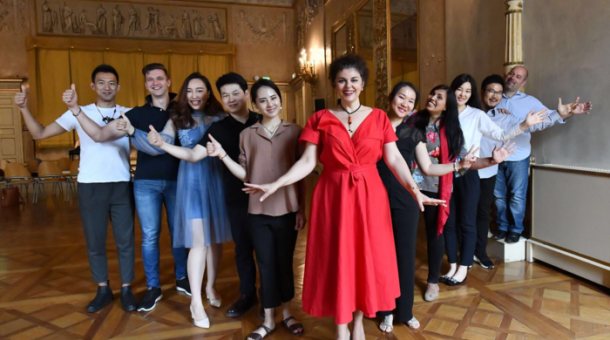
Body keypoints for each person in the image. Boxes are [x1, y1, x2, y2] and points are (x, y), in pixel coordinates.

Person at [243, 54, 444, 340]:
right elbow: (308, 162)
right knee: (337, 255)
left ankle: (359, 320)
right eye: (341, 81)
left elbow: (395, 159)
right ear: (334, 85)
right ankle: (341, 325)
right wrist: (277, 183)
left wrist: (415, 190)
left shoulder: (378, 118)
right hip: (333, 195)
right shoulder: (319, 119)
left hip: (370, 195)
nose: (347, 85)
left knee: (365, 256)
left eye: (353, 80)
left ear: (362, 84)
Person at [63, 63, 190, 312]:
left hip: (178, 179)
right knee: (150, 237)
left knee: (179, 232)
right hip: (145, 183)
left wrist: (136, 134)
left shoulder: (182, 111)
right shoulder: (135, 114)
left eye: (159, 78)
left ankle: (182, 277)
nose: (155, 82)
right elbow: (99, 135)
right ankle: (153, 287)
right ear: (145, 84)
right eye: (150, 79)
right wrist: (75, 109)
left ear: (168, 81)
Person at [135, 72, 262, 318]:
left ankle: (210, 286)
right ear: (184, 93)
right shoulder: (177, 118)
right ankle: (195, 301)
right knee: (199, 242)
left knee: (214, 241)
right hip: (192, 184)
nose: (194, 96)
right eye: (190, 91)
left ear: (208, 94)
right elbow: (172, 143)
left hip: (217, 180)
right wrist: (158, 143)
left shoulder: (221, 118)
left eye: (200, 90)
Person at [14, 65, 137, 313]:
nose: (106, 87)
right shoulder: (78, 113)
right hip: (90, 185)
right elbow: (39, 133)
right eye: (101, 82)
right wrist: (23, 108)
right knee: (95, 241)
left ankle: (126, 289)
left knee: (126, 241)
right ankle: (103, 288)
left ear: (118, 87)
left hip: (121, 184)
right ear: (92, 86)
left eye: (111, 82)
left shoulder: (128, 113)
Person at [204, 79, 306, 339]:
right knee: (266, 264)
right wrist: (223, 156)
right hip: (258, 212)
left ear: (280, 100)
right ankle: (269, 319)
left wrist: (301, 209)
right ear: (255, 104)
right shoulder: (247, 135)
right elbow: (244, 174)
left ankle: (287, 313)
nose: (269, 103)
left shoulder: (296, 131)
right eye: (263, 100)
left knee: (285, 264)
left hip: (287, 210)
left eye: (273, 98)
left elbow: (301, 175)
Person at [441, 74, 548, 286]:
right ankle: (452, 265)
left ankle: (463, 268)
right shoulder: (444, 114)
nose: (462, 94)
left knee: (468, 221)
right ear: (452, 91)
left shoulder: (477, 115)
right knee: (449, 222)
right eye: (459, 90)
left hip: (468, 173)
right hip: (444, 173)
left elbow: (500, 135)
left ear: (472, 95)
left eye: (467, 91)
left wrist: (525, 124)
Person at [474, 74, 591, 267]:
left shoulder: (530, 102)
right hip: (492, 158)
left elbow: (544, 120)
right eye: (511, 74)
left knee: (517, 196)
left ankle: (515, 230)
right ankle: (501, 228)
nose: (513, 77)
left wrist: (562, 114)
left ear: (523, 82)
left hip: (517, 156)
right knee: (498, 197)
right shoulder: (494, 102)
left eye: (518, 76)